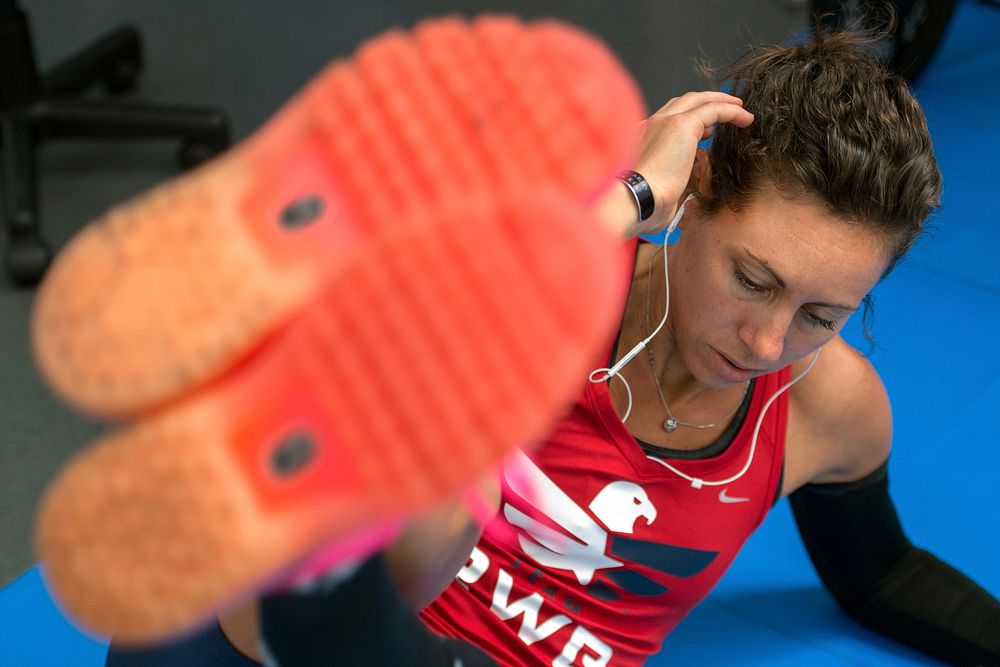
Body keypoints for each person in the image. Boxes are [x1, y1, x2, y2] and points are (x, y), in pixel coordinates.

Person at [40, 16, 999, 667]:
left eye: (821, 315)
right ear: (693, 194)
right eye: (754, 278)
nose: (764, 338)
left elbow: (884, 572)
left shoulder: (826, 408)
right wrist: (614, 200)